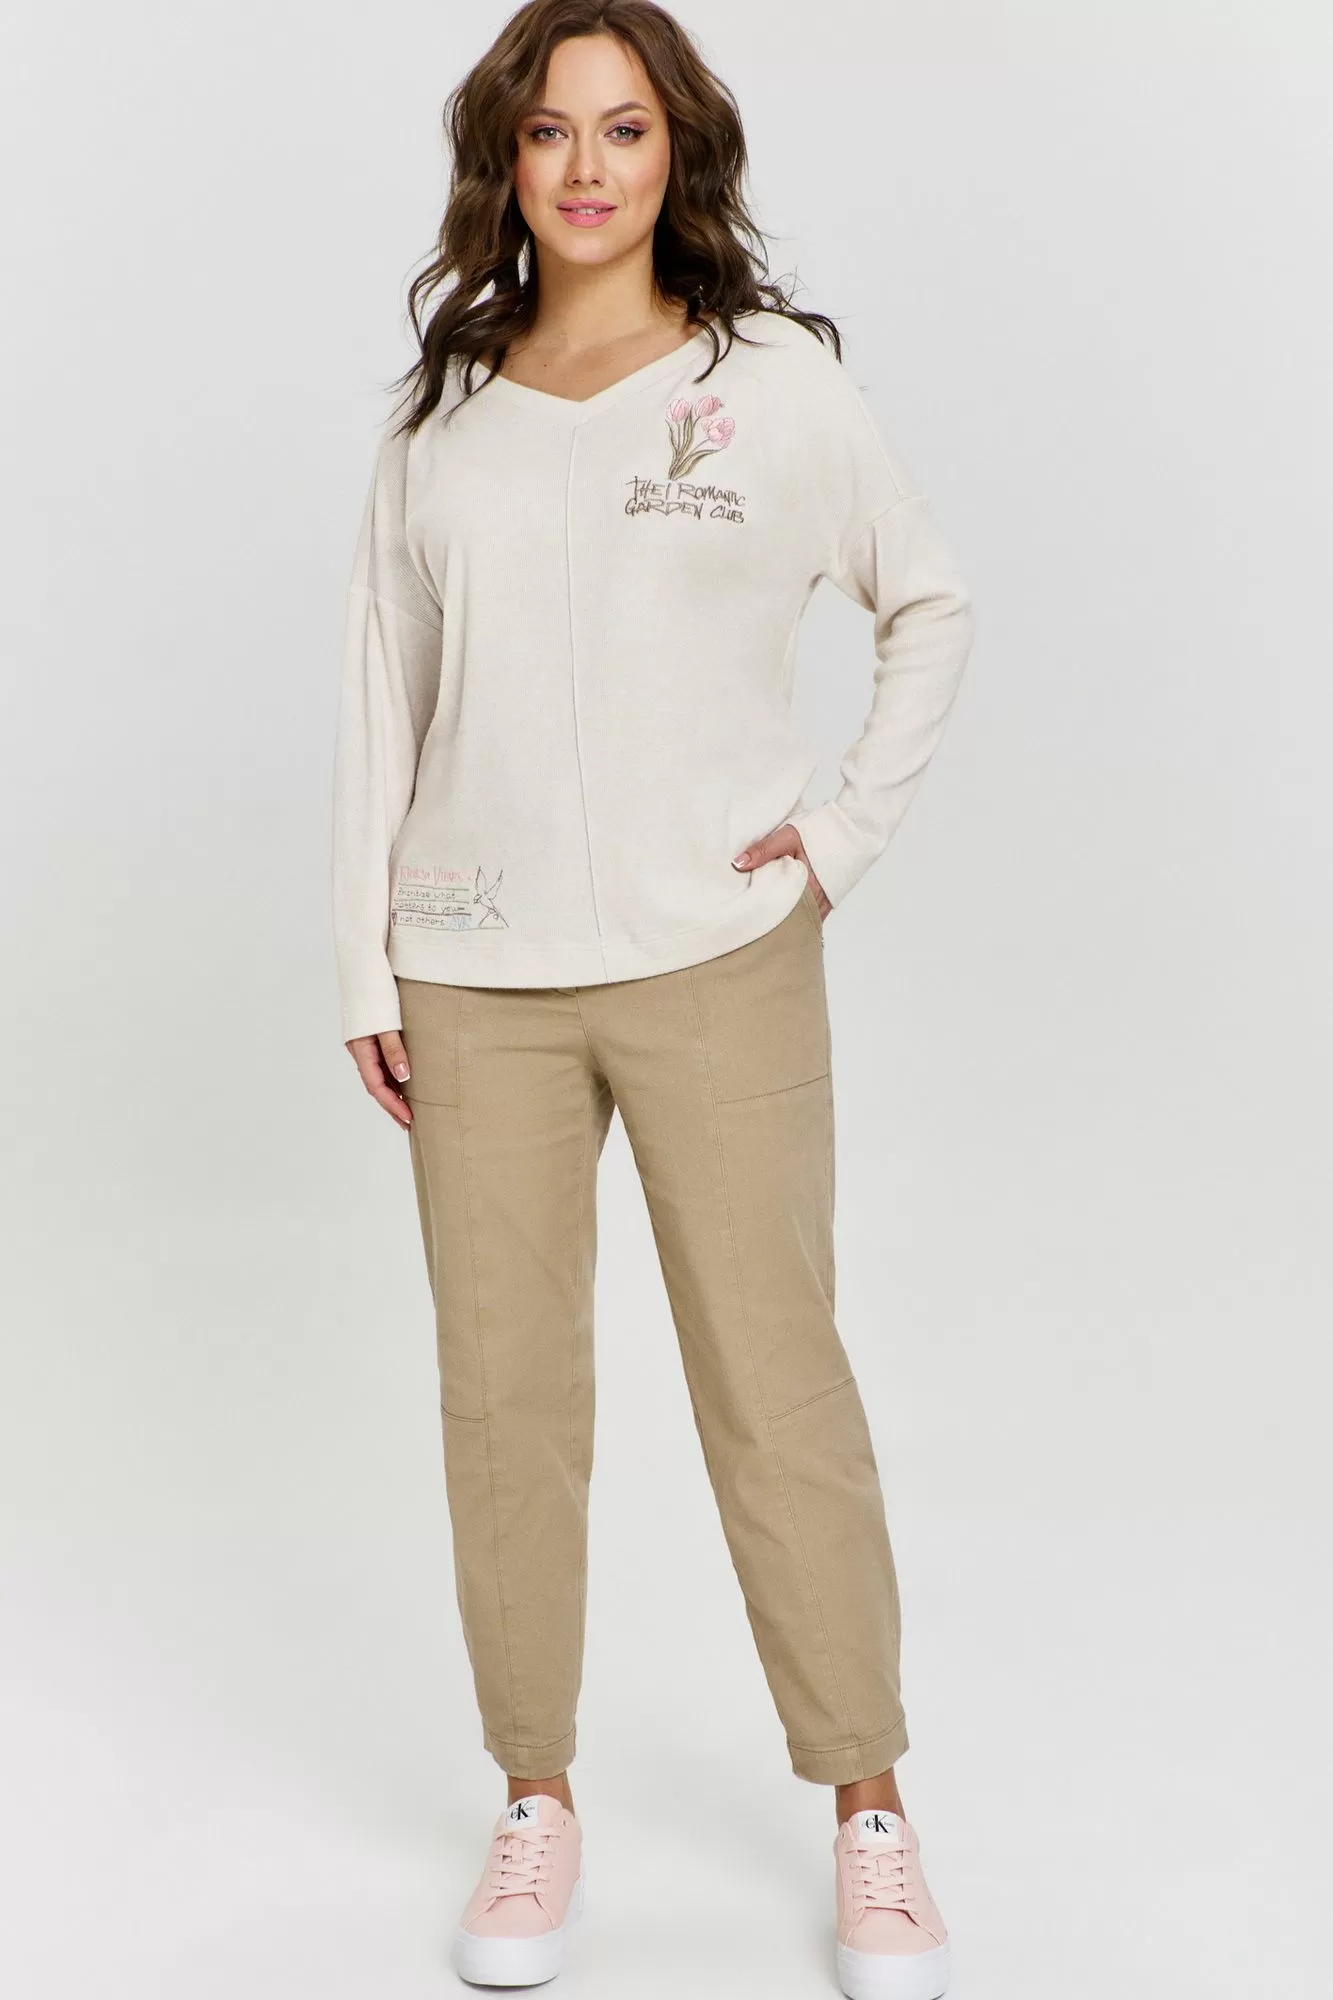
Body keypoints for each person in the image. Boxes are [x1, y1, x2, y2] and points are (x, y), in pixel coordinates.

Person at [331, 3, 974, 1994]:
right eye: (551, 133)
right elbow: (383, 694)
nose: (588, 166)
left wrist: (837, 840)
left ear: (678, 149)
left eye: (624, 129)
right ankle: (535, 1796)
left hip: (720, 959)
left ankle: (871, 1810)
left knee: (778, 1390)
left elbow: (929, 601)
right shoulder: (443, 416)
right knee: (505, 1400)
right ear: (506, 163)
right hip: (477, 967)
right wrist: (365, 956)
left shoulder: (769, 387)